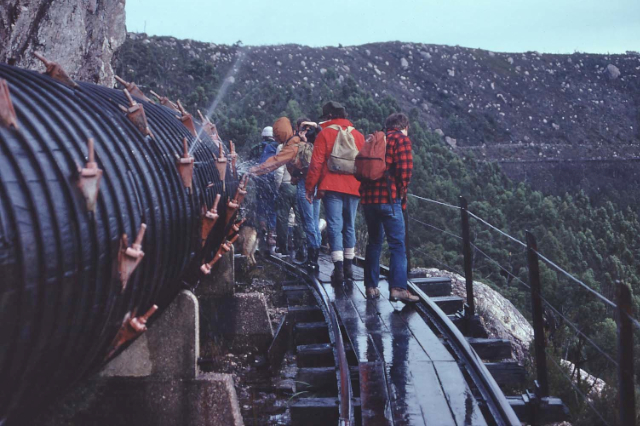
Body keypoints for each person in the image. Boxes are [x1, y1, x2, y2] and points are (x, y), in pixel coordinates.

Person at [359, 112, 418, 303]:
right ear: (404, 126)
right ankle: (398, 289)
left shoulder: (377, 140)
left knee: (374, 242)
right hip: (389, 199)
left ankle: (370, 287)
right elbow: (405, 170)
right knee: (397, 245)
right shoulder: (400, 140)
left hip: (369, 201)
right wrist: (401, 192)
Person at [305, 101, 365, 285]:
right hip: (354, 186)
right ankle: (349, 266)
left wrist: (310, 188)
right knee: (349, 225)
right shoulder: (358, 135)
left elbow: (315, 165)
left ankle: (338, 269)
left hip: (331, 186)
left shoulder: (325, 134)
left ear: (329, 117)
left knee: (334, 225)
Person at [249, 118, 305, 257]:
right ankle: (302, 248)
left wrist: (257, 170)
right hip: (305, 186)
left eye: (278, 135)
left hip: (286, 185)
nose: (276, 139)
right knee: (302, 218)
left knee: (281, 216)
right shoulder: (302, 141)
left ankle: (281, 244)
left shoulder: (288, 146)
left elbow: (276, 164)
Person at [293, 117, 322, 272]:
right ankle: (314, 256)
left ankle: (312, 259)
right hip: (316, 185)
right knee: (314, 221)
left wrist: (302, 140)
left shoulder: (304, 145)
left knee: (308, 221)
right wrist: (314, 126)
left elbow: (299, 163)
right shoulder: (318, 144)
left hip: (305, 184)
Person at [254, 126, 278, 252]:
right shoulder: (277, 146)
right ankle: (271, 235)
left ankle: (262, 229)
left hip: (260, 180)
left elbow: (251, 163)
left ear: (263, 136)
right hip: (273, 181)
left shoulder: (257, 148)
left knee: (261, 205)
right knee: (273, 207)